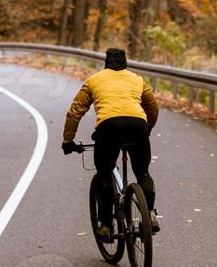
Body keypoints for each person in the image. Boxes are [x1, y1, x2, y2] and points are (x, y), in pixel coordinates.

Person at [62, 47, 160, 237]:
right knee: (143, 172)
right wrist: (148, 127)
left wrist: (68, 140)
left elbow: (75, 112)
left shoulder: (94, 80)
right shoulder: (136, 79)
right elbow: (153, 106)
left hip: (109, 127)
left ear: (106, 63)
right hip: (138, 125)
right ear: (126, 63)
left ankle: (106, 225)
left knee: (104, 172)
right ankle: (150, 215)